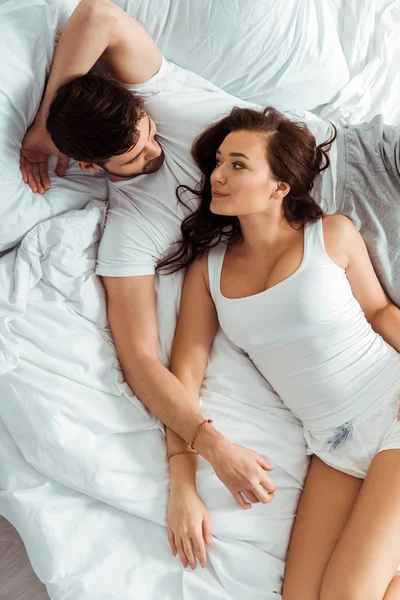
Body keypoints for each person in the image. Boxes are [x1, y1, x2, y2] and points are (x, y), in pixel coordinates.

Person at [20, 0, 400, 587]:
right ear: (92, 169)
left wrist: (47, 120)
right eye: (133, 157)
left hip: (360, 180)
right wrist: (192, 468)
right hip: (335, 431)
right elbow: (153, 364)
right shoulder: (150, 241)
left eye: (148, 135)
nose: (168, 157)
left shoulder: (170, 103)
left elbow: (97, 14)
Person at [159, 105, 400, 599]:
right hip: (332, 446)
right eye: (219, 162)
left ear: (280, 186)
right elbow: (184, 378)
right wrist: (181, 485)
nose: (217, 176)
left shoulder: (332, 234)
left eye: (238, 165)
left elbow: (381, 315)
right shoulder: (208, 272)